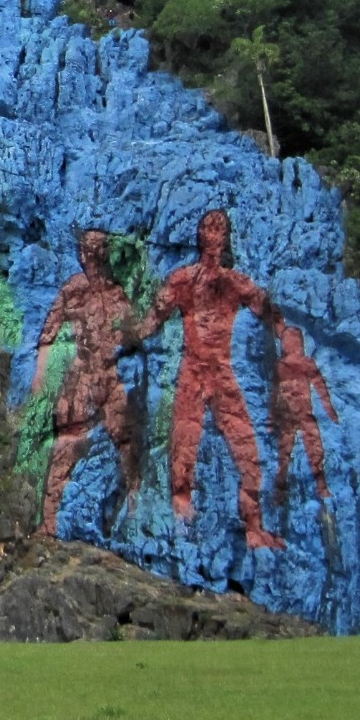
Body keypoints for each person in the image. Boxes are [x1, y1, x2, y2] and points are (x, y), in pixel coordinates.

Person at [141, 209, 286, 550]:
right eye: (207, 226)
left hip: (221, 371)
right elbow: (151, 321)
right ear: (199, 234)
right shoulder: (182, 280)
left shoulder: (234, 283)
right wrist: (122, 338)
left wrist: (288, 345)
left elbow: (268, 311)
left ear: (227, 236)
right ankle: (179, 520)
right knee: (184, 444)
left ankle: (253, 526)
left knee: (246, 448)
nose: (213, 232)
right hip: (192, 369)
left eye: (220, 227)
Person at [31, 229, 140, 535]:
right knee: (67, 443)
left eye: (98, 249)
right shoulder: (74, 289)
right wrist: (40, 374)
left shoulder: (117, 294)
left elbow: (132, 336)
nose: (92, 256)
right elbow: (49, 333)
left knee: (126, 444)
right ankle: (49, 521)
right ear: (81, 254)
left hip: (110, 377)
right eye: (87, 250)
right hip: (82, 377)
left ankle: (134, 510)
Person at [271, 323, 338, 503]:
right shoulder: (283, 366)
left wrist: (330, 411)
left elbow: (320, 388)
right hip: (291, 416)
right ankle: (281, 491)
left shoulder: (303, 364)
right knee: (287, 454)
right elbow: (275, 393)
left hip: (302, 415)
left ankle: (320, 487)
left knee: (313, 451)